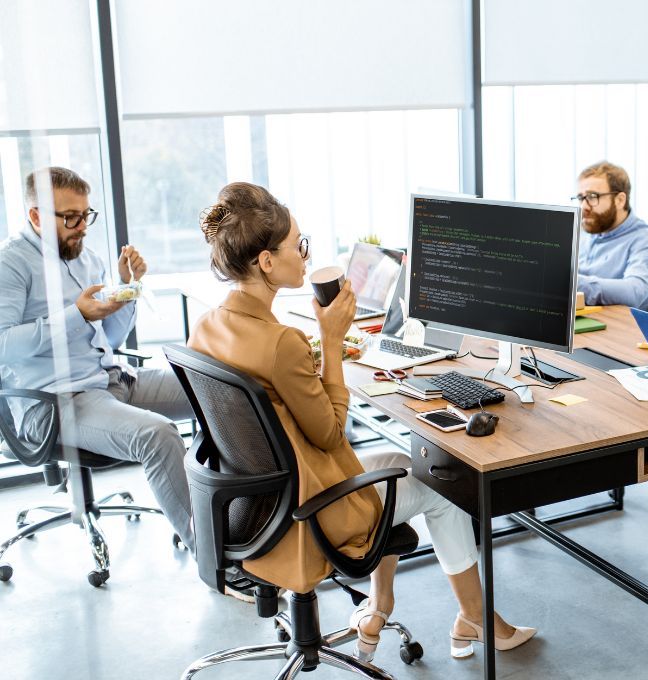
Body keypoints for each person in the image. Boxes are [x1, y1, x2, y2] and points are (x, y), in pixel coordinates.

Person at [187, 182, 535, 662]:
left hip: (254, 504)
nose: (305, 256)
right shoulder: (280, 342)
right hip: (308, 514)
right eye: (298, 246)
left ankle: (379, 604)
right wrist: (331, 341)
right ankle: (474, 617)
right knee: (444, 485)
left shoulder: (206, 326)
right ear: (266, 262)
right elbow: (330, 432)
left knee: (396, 461)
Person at [0, 167, 194, 549]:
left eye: (85, 215)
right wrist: (78, 314)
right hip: (55, 402)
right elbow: (4, 344)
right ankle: (213, 557)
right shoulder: (11, 265)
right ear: (36, 216)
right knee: (159, 436)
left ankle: (232, 519)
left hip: (108, 379)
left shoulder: (86, 259)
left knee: (216, 391)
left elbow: (112, 337)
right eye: (70, 217)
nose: (81, 226)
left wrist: (127, 288)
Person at [572, 161, 648, 310]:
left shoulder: (647, 239)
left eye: (592, 197)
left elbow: (633, 293)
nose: (584, 207)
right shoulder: (587, 232)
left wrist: (571, 282)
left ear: (620, 200)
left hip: (614, 327)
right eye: (581, 198)